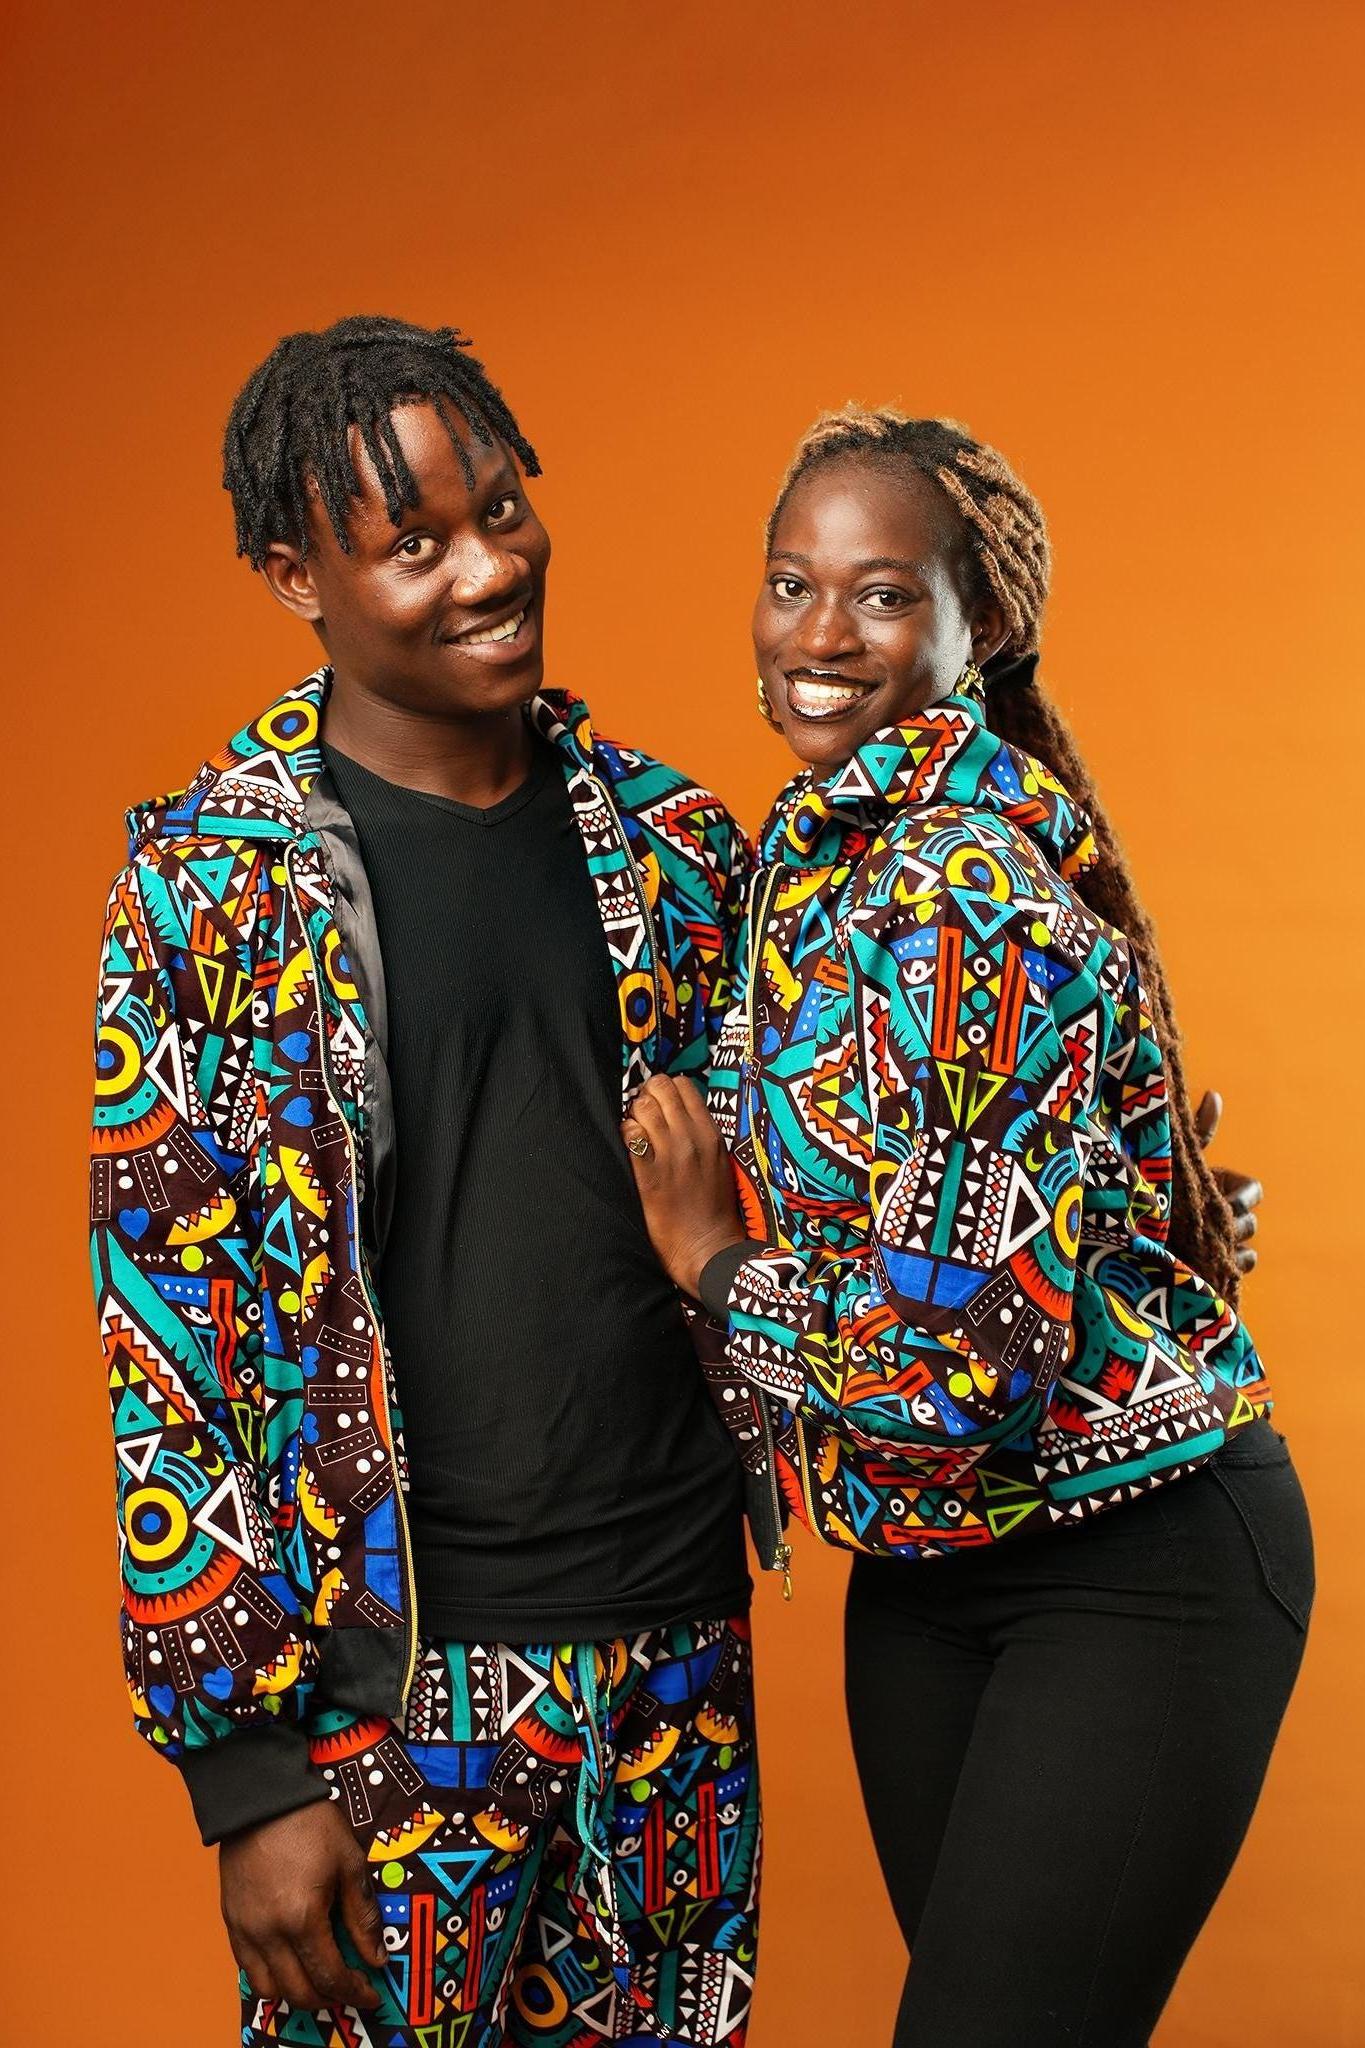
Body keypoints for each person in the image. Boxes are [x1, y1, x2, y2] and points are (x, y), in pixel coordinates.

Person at [90, 315, 765, 2047]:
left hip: (677, 1649)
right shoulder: (210, 897)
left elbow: (858, 1139)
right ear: (289, 572)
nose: (488, 570)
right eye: (413, 545)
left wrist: (1129, 1172)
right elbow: (165, 1333)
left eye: (502, 510)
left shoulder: (679, 851)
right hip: (393, 1693)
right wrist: (245, 1775)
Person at [623, 409, 1312, 2047]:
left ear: (975, 623)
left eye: (876, 595)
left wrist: (709, 1263)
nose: (816, 635)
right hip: (928, 1578)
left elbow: (962, 1375)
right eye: (791, 583)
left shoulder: (953, 889)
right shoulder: (815, 860)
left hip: (1128, 1569)